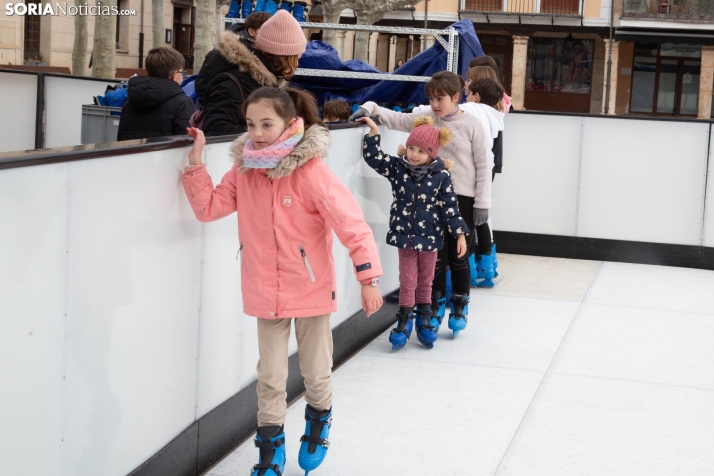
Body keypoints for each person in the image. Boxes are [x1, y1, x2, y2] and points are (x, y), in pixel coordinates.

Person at [182, 86, 383, 476]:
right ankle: (270, 452)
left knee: (315, 371)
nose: (257, 132)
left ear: (291, 124)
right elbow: (209, 209)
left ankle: (319, 419)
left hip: (309, 289)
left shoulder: (311, 172)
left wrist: (368, 277)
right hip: (265, 290)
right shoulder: (244, 171)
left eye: (266, 124)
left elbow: (351, 225)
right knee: (271, 377)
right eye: (251, 124)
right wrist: (195, 164)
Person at [349, 71, 492, 339]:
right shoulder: (427, 120)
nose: (435, 104)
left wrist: (482, 203)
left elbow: (484, 163)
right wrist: (370, 108)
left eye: (440, 99)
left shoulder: (472, 124)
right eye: (431, 98)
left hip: (462, 198)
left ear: (456, 96)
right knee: (435, 257)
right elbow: (396, 118)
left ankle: (459, 305)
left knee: (459, 258)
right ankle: (434, 305)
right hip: (431, 198)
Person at [357, 114, 469, 350]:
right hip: (405, 237)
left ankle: (424, 319)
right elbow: (374, 159)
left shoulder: (441, 176)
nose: (414, 154)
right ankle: (404, 319)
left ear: (432, 154)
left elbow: (450, 206)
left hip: (430, 237)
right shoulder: (398, 168)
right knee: (407, 282)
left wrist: (459, 233)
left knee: (426, 282)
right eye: (411, 148)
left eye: (420, 151)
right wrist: (374, 134)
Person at [194, 10, 306, 136]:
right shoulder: (235, 82)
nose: (296, 64)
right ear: (282, 57)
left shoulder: (265, 78)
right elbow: (216, 129)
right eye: (295, 58)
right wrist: (273, 133)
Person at [116, 47, 194, 140]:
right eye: (182, 73)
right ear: (174, 75)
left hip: (134, 154)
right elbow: (187, 140)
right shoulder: (182, 102)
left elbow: (121, 138)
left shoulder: (131, 100)